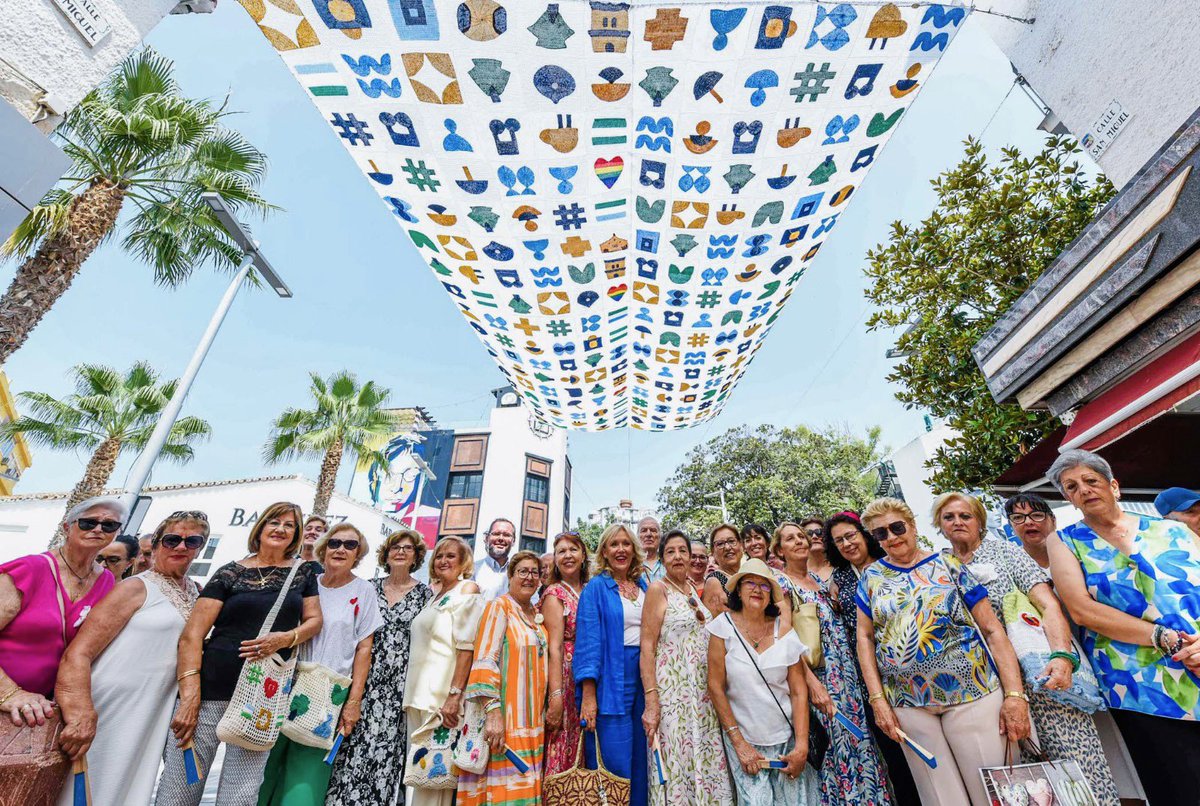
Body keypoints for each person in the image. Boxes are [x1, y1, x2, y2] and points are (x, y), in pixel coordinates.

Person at [936, 491, 1120, 806]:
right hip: (991, 689)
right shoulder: (940, 567)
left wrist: (1062, 657)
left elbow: (1048, 605)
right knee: (1025, 783)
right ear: (938, 525)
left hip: (1042, 677)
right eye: (948, 517)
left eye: (965, 516)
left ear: (980, 522)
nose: (957, 522)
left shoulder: (1007, 553)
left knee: (1077, 771)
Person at [1046, 449, 1200, 803]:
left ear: (1113, 486)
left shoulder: (1173, 529)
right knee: (1180, 784)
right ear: (1067, 498)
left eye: (1091, 481)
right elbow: (1082, 610)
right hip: (1140, 684)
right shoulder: (1064, 541)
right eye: (1071, 487)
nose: (1083, 490)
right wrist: (1163, 638)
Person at [856, 497, 1030, 806]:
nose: (892, 537)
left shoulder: (948, 564)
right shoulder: (870, 579)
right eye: (881, 533)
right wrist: (878, 700)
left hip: (972, 695)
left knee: (994, 792)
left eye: (897, 527)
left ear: (913, 526)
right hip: (909, 704)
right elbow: (865, 639)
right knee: (940, 798)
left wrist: (1015, 696)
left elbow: (992, 629)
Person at [155, 501, 323, 806]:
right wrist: (189, 696)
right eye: (275, 521)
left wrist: (286, 638)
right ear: (260, 528)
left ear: (296, 535)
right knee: (179, 788)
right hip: (209, 691)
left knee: (240, 794)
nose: (281, 529)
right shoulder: (229, 572)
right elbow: (192, 635)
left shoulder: (303, 573)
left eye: (289, 525)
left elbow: (314, 621)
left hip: (262, 696)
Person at [54, 512, 205, 806]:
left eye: (192, 541)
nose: (181, 547)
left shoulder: (196, 594)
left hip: (153, 705)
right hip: (109, 702)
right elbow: (79, 652)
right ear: (158, 543)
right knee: (89, 783)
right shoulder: (135, 587)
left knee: (126, 784)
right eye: (172, 539)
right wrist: (81, 711)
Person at [258, 523, 383, 806]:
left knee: (307, 772)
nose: (340, 549)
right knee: (264, 764)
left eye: (350, 545)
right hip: (283, 682)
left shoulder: (364, 591)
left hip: (327, 689)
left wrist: (354, 702)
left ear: (358, 555)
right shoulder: (305, 582)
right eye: (335, 543)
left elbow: (365, 648)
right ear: (323, 549)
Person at [774, 522, 891, 805]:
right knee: (838, 748)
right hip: (822, 678)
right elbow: (784, 635)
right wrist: (812, 684)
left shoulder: (819, 580)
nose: (800, 541)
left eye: (802, 536)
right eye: (791, 539)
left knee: (862, 742)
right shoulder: (781, 583)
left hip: (848, 674)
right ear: (779, 550)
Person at [326, 528, 434, 806]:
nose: (401, 551)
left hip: (400, 685)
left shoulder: (425, 595)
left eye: (408, 548)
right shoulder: (368, 588)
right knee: (351, 744)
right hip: (363, 678)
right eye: (395, 547)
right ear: (386, 554)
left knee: (388, 751)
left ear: (416, 557)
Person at [0, 496, 125, 726]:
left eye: (109, 525)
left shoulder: (107, 582)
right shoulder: (30, 569)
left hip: (34, 712)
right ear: (67, 527)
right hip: (11, 699)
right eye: (88, 522)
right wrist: (9, 693)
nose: (98, 529)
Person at [706, 559, 819, 805]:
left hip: (786, 739)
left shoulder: (784, 631)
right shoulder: (721, 628)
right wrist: (738, 742)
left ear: (771, 595)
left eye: (765, 586)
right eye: (750, 583)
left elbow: (799, 692)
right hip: (746, 740)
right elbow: (715, 686)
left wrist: (801, 747)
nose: (757, 589)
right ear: (738, 589)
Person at [823, 512, 917, 805]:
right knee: (895, 754)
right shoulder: (838, 578)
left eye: (851, 535)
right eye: (839, 541)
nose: (847, 543)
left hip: (910, 671)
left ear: (865, 534)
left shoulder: (892, 564)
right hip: (869, 676)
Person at [639, 529, 732, 804]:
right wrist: (652, 699)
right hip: (673, 695)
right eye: (671, 551)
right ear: (663, 558)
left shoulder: (691, 588)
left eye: (683, 551)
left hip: (701, 695)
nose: (678, 556)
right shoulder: (658, 589)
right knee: (676, 759)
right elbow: (647, 647)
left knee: (704, 758)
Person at [456, 551, 548, 805]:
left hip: (532, 723)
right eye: (522, 571)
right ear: (510, 576)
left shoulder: (536, 616)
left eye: (534, 572)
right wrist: (493, 713)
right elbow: (484, 660)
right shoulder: (499, 607)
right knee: (501, 794)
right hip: (504, 722)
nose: (529, 577)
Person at [403, 536, 483, 806]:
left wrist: (454, 695)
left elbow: (467, 648)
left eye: (451, 556)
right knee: (418, 776)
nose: (443, 560)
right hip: (417, 696)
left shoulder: (467, 590)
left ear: (463, 562)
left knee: (434, 782)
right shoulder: (434, 595)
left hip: (441, 699)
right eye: (439, 555)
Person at [576, 523, 649, 806]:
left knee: (642, 758)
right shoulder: (596, 587)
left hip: (643, 676)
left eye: (626, 544)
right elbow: (588, 641)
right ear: (604, 551)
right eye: (614, 544)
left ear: (634, 549)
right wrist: (589, 695)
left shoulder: (644, 585)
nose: (621, 549)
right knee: (614, 759)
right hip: (610, 679)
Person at [542, 531, 590, 777]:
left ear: (583, 555)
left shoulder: (591, 589)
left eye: (573, 550)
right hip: (565, 677)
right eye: (562, 551)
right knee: (563, 742)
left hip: (590, 673)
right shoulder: (554, 594)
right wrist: (556, 696)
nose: (568, 555)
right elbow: (555, 647)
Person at [1003, 492, 1057, 569]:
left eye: (1036, 515)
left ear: (1053, 520)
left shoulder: (1074, 550)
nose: (1028, 522)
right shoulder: (1010, 567)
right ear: (1011, 526)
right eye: (1018, 517)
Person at [701, 523, 743, 616]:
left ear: (741, 545)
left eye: (732, 541)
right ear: (713, 551)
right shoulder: (714, 581)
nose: (727, 547)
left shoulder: (747, 575)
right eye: (720, 544)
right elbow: (716, 625)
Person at [474, 518, 516, 601]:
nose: (501, 538)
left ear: (513, 541)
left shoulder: (520, 573)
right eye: (496, 534)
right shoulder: (472, 570)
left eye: (506, 535)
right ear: (486, 538)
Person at [801, 517, 833, 585]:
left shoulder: (840, 566)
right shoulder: (798, 571)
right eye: (808, 534)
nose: (814, 536)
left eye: (819, 532)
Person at [639, 516, 666, 583]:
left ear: (660, 537)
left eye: (653, 530)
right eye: (643, 530)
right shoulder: (630, 564)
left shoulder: (669, 563)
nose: (648, 534)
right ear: (637, 537)